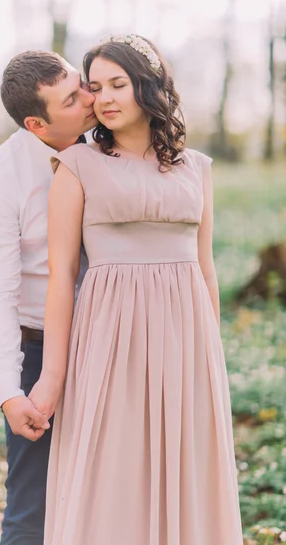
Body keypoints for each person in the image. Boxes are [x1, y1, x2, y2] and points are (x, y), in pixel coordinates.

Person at [29, 35, 244, 545]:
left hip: (187, 343)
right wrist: (53, 376)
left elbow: (205, 267)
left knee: (187, 469)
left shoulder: (196, 168)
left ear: (148, 86)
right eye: (96, 87)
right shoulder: (78, 167)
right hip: (111, 343)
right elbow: (62, 276)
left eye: (118, 84)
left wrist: (212, 357)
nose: (104, 98)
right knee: (115, 476)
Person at [0, 50, 96, 545]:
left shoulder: (113, 142)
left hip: (111, 336)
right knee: (31, 508)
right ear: (36, 123)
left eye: (81, 84)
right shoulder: (1, 177)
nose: (90, 98)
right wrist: (9, 390)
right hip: (39, 348)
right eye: (72, 98)